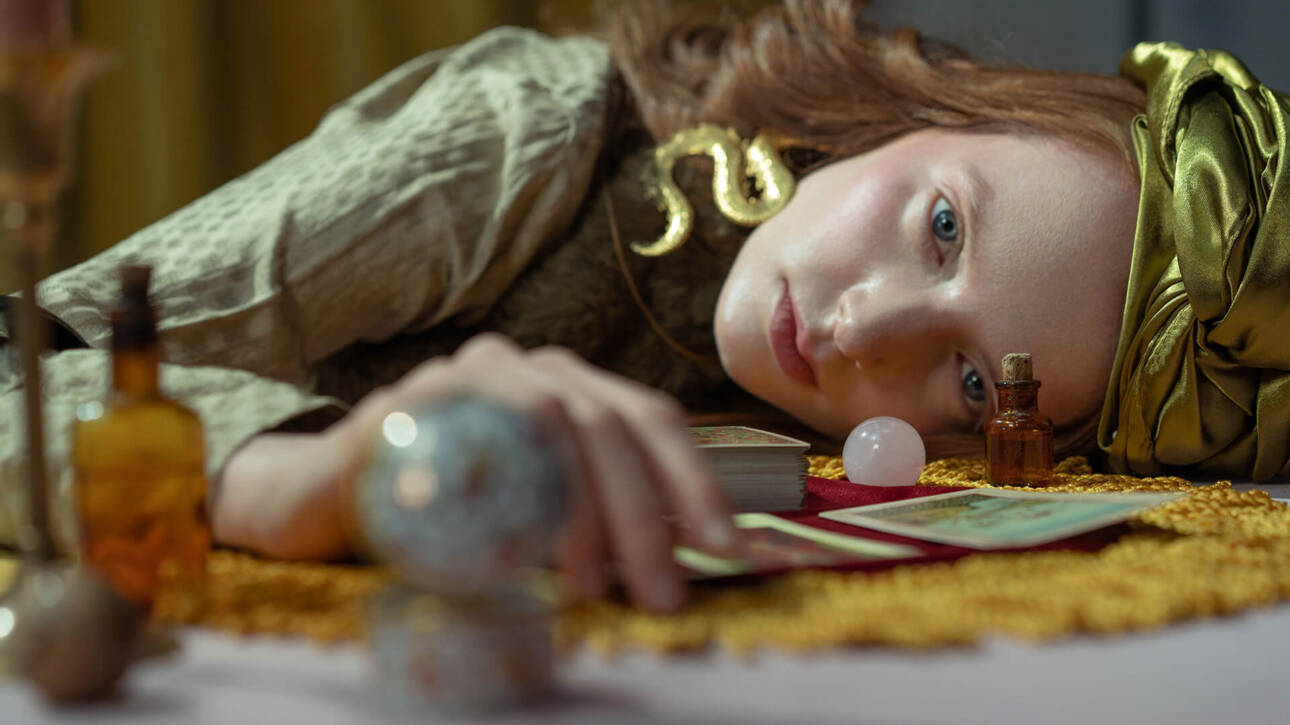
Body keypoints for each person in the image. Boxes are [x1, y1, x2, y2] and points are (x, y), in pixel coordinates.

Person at [2, 0, 1287, 613]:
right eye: (940, 226)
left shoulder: (834, 445)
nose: (862, 329)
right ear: (922, 112)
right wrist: (297, 476)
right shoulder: (529, 131)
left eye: (967, 377)